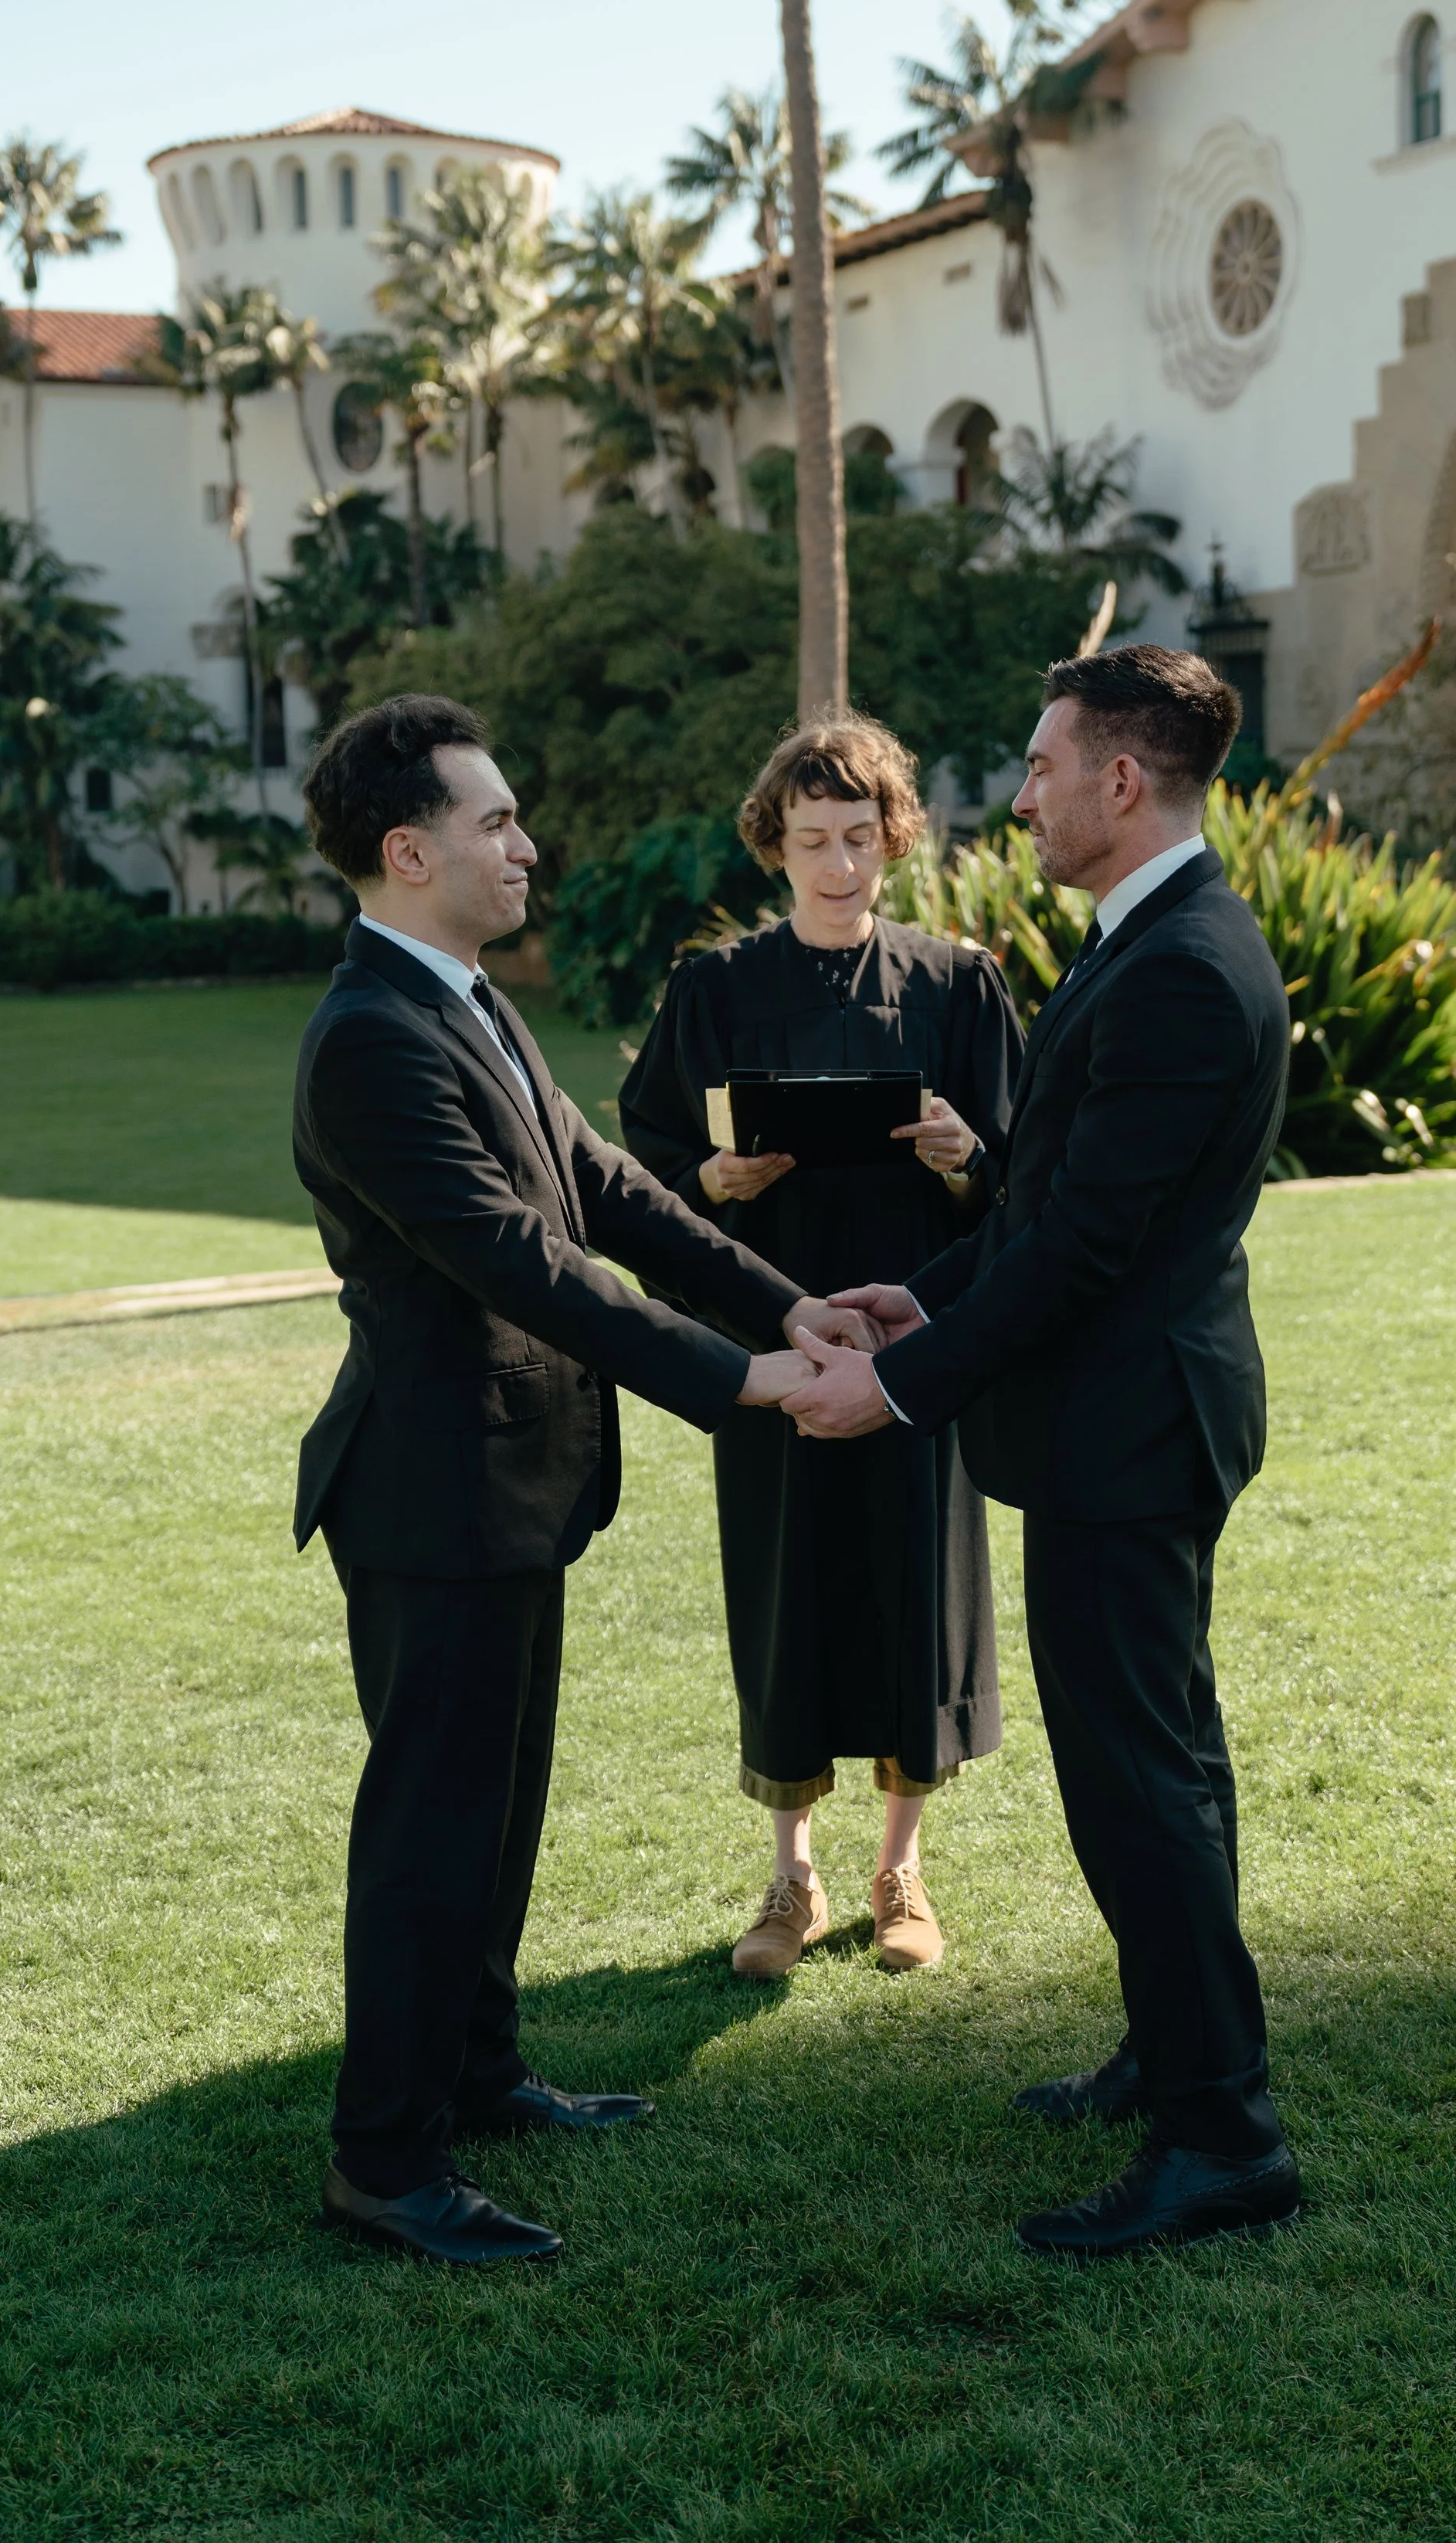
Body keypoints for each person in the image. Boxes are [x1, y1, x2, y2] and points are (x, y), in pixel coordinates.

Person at [292, 694, 873, 2270]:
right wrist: (743, 1381)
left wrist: (780, 1304)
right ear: (409, 854)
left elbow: (602, 1188)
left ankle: (477, 2078)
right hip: (428, 1495)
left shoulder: (465, 996)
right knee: (430, 1832)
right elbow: (515, 1260)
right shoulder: (368, 1039)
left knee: (494, 1817)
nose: (523, 843)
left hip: (514, 1483)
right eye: (492, 823)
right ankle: (384, 2162)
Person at [782, 645, 1301, 2260]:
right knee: (1162, 1767)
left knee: (1138, 1782)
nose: (1018, 797)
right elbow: (1039, 1207)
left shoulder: (1175, 969)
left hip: (1126, 1432)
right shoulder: (1144, 942)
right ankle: (1177, 2051)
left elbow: (1081, 1250)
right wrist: (910, 1293)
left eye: (1038, 765)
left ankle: (1219, 2135)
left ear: (1121, 782)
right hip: (1125, 1419)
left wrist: (904, 1385)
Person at [619, 716, 1022, 1978]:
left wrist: (968, 1161)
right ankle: (789, 1876)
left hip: (914, 1346)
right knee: (786, 1591)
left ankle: (903, 1872)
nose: (837, 863)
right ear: (773, 845)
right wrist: (717, 1175)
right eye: (811, 840)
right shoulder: (714, 992)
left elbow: (1032, 1187)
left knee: (915, 1587)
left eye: (859, 836)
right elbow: (642, 1171)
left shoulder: (961, 987)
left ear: (896, 835)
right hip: (775, 1348)